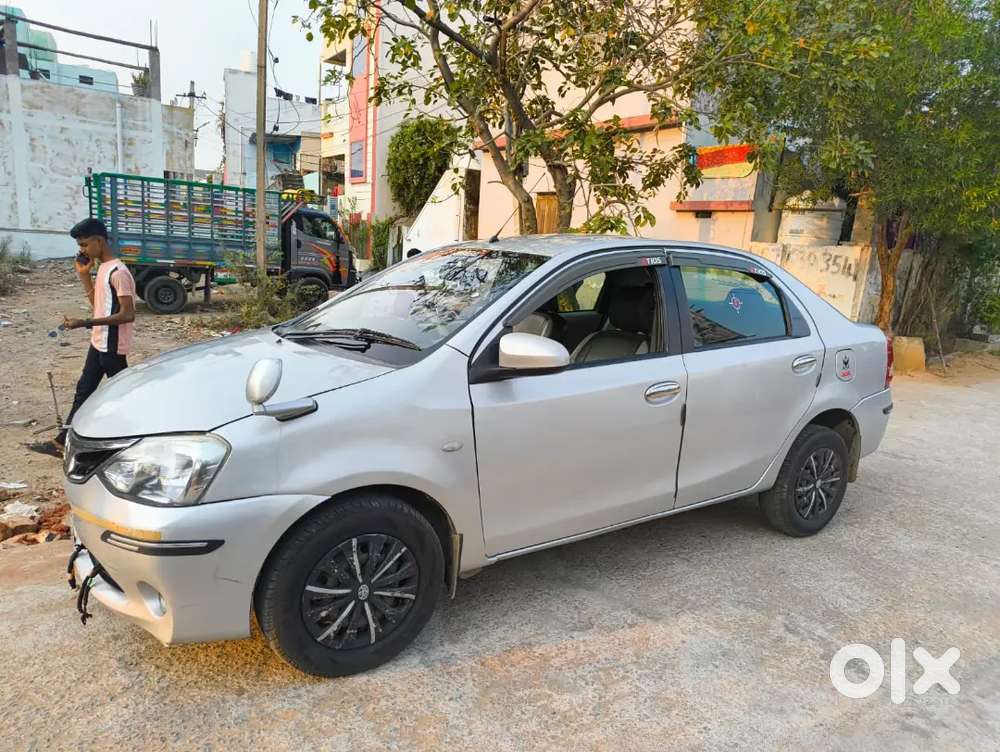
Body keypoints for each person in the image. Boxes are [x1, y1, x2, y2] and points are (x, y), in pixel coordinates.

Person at [29, 218, 136, 457]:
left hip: (112, 344)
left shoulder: (119, 272)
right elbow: (100, 306)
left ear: (99, 241)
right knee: (84, 389)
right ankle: (62, 441)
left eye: (85, 244)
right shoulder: (103, 270)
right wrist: (84, 276)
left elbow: (128, 315)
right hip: (99, 341)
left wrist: (84, 323)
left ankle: (132, 440)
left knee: (123, 395)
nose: (82, 250)